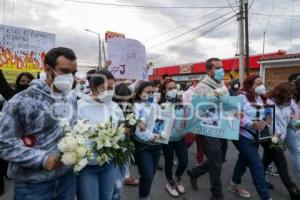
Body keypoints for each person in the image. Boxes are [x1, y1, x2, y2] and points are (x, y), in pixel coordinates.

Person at [0, 47, 78, 200]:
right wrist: (41, 159)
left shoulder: (70, 98)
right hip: (34, 185)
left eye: (73, 73)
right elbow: (4, 143)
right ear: (48, 69)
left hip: (67, 179)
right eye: (64, 71)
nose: (70, 77)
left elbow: (73, 131)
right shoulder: (22, 100)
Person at [77, 70, 124, 200]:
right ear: (93, 86)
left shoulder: (115, 107)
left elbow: (122, 130)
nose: (109, 91)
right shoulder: (79, 106)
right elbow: (72, 134)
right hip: (86, 167)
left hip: (108, 165)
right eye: (105, 88)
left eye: (111, 88)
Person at [187, 58, 229, 200]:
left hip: (222, 124)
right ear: (208, 70)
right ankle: (217, 195)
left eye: (221, 67)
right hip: (207, 127)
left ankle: (195, 172)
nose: (221, 70)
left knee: (220, 158)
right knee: (216, 161)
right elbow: (196, 109)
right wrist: (213, 99)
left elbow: (227, 103)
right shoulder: (202, 87)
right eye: (217, 68)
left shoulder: (222, 84)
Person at [230, 75, 270, 200]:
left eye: (262, 82)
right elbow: (236, 114)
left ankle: (234, 184)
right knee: (256, 164)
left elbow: (268, 112)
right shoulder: (242, 97)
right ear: (250, 85)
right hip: (243, 135)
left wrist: (268, 117)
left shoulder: (262, 99)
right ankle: (265, 196)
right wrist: (251, 123)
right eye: (258, 83)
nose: (261, 86)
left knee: (244, 160)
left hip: (257, 136)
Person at [262, 82, 300, 200]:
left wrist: (296, 123)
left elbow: (287, 121)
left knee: (265, 162)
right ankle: (294, 191)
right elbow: (268, 123)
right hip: (272, 139)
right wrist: (276, 138)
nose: (291, 97)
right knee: (282, 165)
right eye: (289, 94)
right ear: (281, 93)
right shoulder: (269, 103)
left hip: (280, 137)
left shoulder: (286, 103)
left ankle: (259, 181)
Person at [159, 79, 188, 198]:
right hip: (167, 139)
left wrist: (187, 120)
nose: (173, 90)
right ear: (164, 90)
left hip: (180, 137)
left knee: (184, 162)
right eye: (169, 88)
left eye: (174, 87)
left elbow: (187, 115)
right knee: (169, 162)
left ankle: (177, 179)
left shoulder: (181, 101)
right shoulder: (160, 104)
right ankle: (170, 183)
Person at [133, 81, 162, 200]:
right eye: (148, 92)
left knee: (151, 174)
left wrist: (161, 134)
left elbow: (161, 122)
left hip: (157, 145)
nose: (151, 94)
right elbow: (137, 127)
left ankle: (144, 194)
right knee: (147, 174)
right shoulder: (136, 106)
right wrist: (151, 136)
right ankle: (143, 197)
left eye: (152, 92)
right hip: (143, 146)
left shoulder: (156, 105)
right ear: (140, 94)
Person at [112, 84, 139, 191]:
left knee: (125, 160)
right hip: (115, 141)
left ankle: (124, 179)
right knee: (115, 165)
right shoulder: (113, 107)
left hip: (126, 140)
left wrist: (130, 128)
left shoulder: (129, 106)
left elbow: (133, 122)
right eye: (123, 97)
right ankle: (116, 184)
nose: (126, 100)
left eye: (127, 97)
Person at [286, 78, 300, 175]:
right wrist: (293, 116)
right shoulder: (290, 98)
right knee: (297, 153)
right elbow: (285, 113)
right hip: (287, 129)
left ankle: (268, 165)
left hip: (295, 128)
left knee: (276, 149)